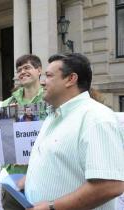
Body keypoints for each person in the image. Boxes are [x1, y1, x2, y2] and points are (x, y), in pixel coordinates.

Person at [25, 53, 124, 210]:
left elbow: (110, 186)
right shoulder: (54, 115)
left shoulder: (97, 119)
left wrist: (51, 207)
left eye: (49, 76)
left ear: (71, 79)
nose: (42, 82)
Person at [1, 54, 44, 210]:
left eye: (27, 67)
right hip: (13, 178)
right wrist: (11, 155)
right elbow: (1, 141)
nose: (22, 72)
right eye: (19, 70)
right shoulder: (7, 104)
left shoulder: (51, 100)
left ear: (39, 70)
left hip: (45, 177)